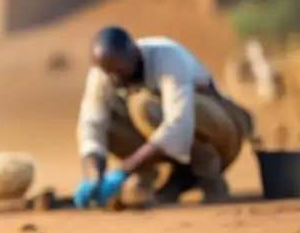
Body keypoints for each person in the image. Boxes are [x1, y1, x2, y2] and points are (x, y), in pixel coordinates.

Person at [73, 26, 254, 209]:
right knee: (110, 124)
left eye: (119, 70)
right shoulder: (104, 72)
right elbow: (91, 123)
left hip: (221, 130)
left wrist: (124, 170)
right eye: (109, 73)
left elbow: (179, 124)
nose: (115, 77)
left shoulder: (167, 57)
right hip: (170, 139)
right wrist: (96, 174)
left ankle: (208, 175)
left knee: (143, 107)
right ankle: (155, 178)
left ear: (134, 55)